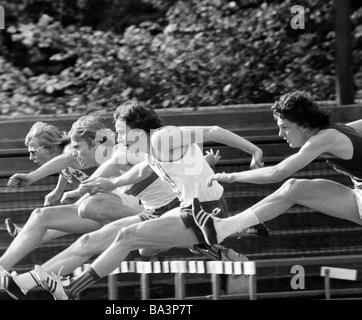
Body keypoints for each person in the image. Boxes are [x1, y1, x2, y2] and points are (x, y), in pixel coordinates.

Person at [32, 106, 265, 300]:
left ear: (138, 129)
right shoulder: (150, 149)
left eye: (122, 133)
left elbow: (214, 131)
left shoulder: (163, 136)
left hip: (204, 209)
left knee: (126, 236)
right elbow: (137, 173)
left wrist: (254, 150)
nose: (120, 138)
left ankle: (72, 288)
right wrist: (107, 185)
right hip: (188, 210)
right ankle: (231, 228)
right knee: (144, 247)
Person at [0, 113, 143, 292]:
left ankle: (40, 238)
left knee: (89, 204)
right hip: (115, 205)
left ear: (51, 148)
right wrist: (59, 190)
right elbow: (66, 170)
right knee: (42, 215)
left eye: (33, 152)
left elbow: (67, 159)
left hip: (135, 206)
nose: (31, 158)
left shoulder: (80, 149)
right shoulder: (75, 157)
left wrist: (31, 177)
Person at [203, 90, 362, 245]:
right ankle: (226, 227)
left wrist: (230, 176)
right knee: (294, 188)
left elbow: (277, 173)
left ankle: (227, 227)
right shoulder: (340, 130)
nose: (280, 133)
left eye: (285, 127)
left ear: (304, 125)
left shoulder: (326, 138)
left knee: (293, 188)